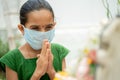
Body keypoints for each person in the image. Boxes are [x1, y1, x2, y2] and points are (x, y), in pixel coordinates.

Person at [0, 0, 69, 80]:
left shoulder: (59, 52)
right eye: (35, 28)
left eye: (48, 27)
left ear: (54, 25)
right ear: (22, 29)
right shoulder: (12, 60)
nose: (43, 33)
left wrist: (51, 71)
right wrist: (37, 73)